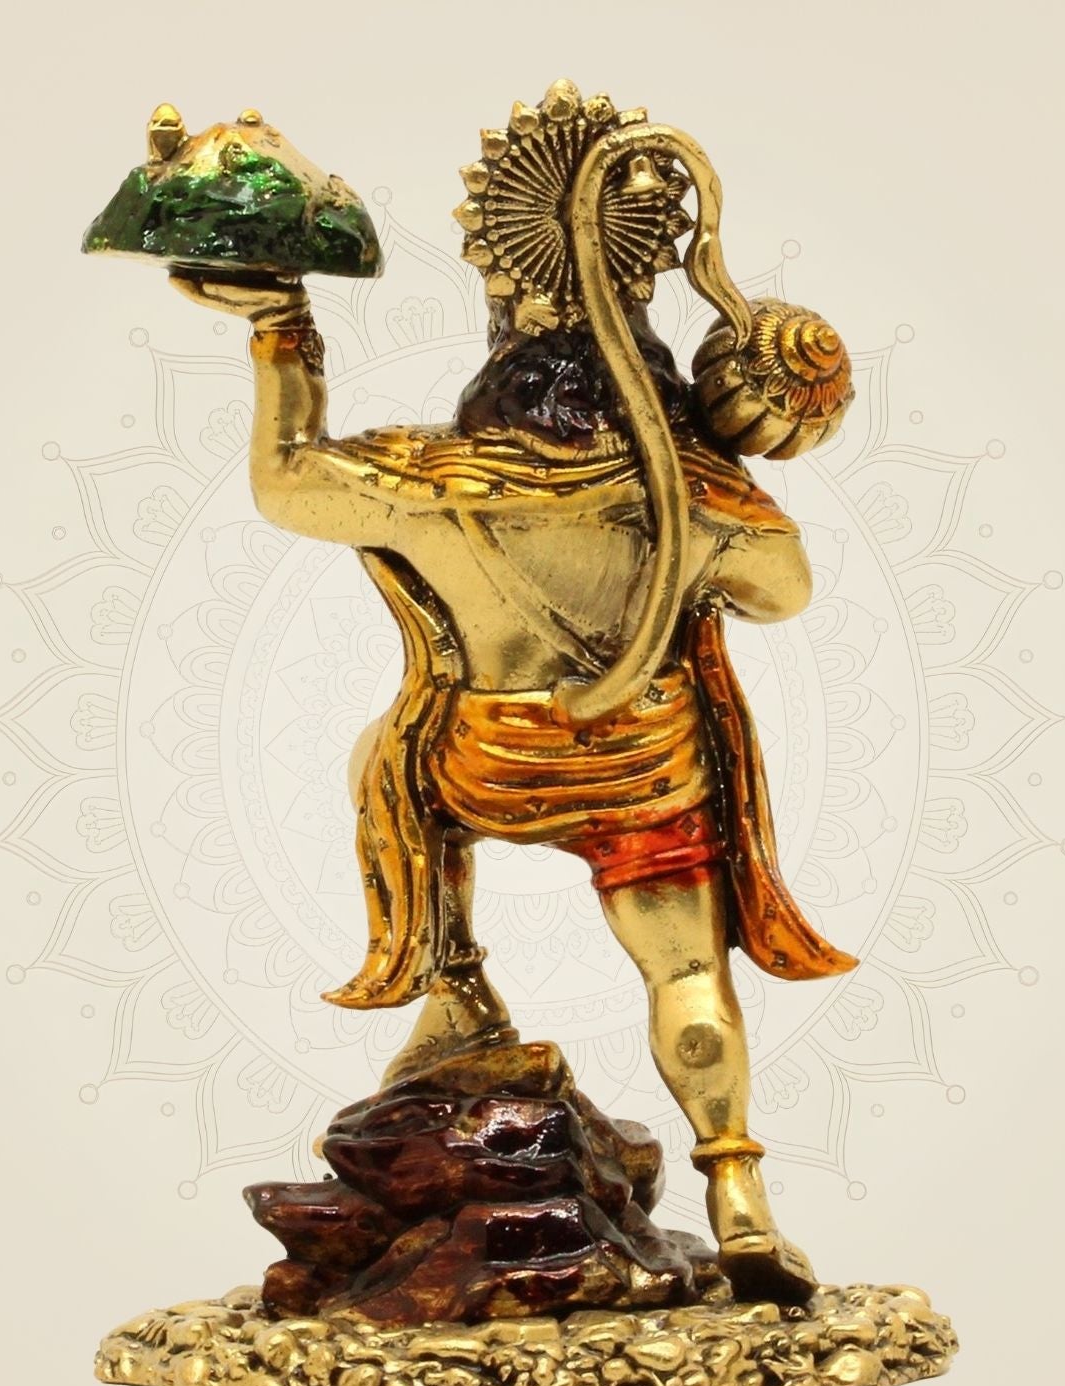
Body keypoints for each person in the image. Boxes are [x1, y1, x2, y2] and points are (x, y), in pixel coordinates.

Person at [171, 84, 855, 1301]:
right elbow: (786, 590)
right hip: (644, 767)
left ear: (508, 315)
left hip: (486, 760)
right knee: (686, 975)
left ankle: (456, 983)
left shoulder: (437, 479)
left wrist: (282, 323)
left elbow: (286, 480)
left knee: (386, 765)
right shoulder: (699, 495)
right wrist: (711, 469)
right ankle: (737, 1187)